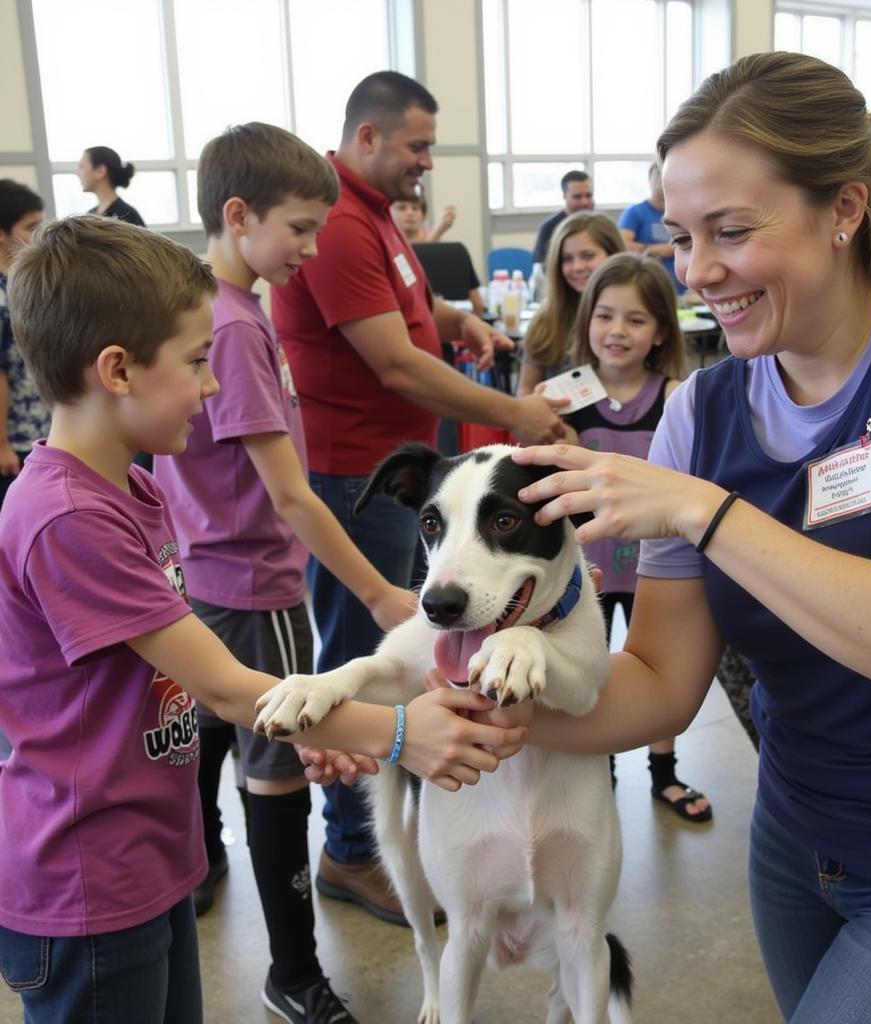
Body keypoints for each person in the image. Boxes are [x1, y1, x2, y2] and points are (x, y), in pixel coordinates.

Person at [510, 52, 871, 1023]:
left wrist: (703, 512)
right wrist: (482, 712)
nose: (696, 271)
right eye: (680, 235)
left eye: (731, 232)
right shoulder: (702, 413)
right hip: (798, 842)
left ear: (842, 209)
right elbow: (659, 683)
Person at [0, 214, 526, 1024]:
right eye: (197, 363)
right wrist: (393, 734)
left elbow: (185, 672)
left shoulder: (131, 491)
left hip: (145, 851)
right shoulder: (66, 517)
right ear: (117, 370)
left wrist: (313, 723)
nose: (213, 388)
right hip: (86, 878)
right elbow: (226, 685)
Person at [271, 70, 565, 927]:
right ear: (368, 138)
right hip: (353, 475)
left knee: (428, 637)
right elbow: (393, 362)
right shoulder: (336, 223)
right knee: (374, 657)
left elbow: (402, 305)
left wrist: (453, 315)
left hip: (399, 473)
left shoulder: (372, 217)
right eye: (419, 146)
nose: (427, 163)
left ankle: (401, 825)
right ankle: (354, 852)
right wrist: (515, 412)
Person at [151, 122, 418, 1021]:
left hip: (212, 578)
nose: (311, 248)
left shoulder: (211, 311)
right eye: (300, 228)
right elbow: (294, 499)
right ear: (238, 214)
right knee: (276, 784)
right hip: (254, 589)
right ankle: (294, 975)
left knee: (214, 740)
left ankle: (204, 864)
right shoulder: (230, 327)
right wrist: (381, 592)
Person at [559, 251, 710, 820]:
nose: (617, 331)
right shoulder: (565, 396)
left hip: (654, 568)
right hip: (582, 570)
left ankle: (664, 774)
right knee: (585, 672)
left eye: (636, 319)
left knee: (653, 668)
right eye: (604, 316)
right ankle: (597, 771)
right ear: (586, 322)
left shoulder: (677, 397)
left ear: (660, 332)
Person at [516, 211, 624, 397]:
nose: (577, 267)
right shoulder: (545, 321)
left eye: (588, 256)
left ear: (613, 256)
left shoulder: (633, 316)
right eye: (567, 259)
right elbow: (526, 389)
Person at [0, 179, 47, 508]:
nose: (38, 235)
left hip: (42, 429)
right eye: (30, 227)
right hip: (16, 438)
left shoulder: (22, 286)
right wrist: (1, 443)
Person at [619, 162, 686, 294]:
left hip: (684, 288)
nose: (662, 181)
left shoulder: (683, 211)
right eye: (658, 176)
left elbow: (693, 243)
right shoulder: (635, 212)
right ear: (650, 180)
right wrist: (667, 249)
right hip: (648, 285)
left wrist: (647, 249)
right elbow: (623, 245)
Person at [531, 169, 595, 266]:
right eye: (577, 197)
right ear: (565, 196)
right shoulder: (549, 228)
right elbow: (541, 266)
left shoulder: (600, 225)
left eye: (588, 196)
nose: (585, 202)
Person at [77, 146, 145, 226]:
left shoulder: (127, 216)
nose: (77, 173)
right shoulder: (90, 215)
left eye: (82, 166)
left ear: (100, 171)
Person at [391, 193, 455, 242]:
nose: (410, 213)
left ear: (424, 216)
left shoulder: (432, 238)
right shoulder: (385, 241)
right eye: (402, 208)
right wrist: (438, 231)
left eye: (415, 208)